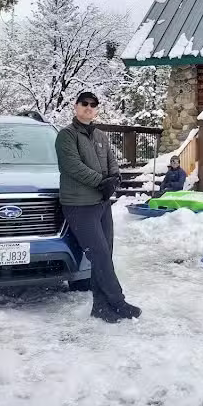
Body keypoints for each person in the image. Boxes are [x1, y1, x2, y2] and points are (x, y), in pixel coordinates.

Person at [55, 91, 141, 323]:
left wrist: (114, 179)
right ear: (75, 107)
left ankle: (100, 307)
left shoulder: (101, 136)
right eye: (84, 104)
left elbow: (113, 164)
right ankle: (118, 302)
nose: (89, 108)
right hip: (79, 206)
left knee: (105, 256)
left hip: (101, 204)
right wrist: (101, 182)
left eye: (93, 105)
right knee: (100, 255)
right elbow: (72, 166)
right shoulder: (66, 136)